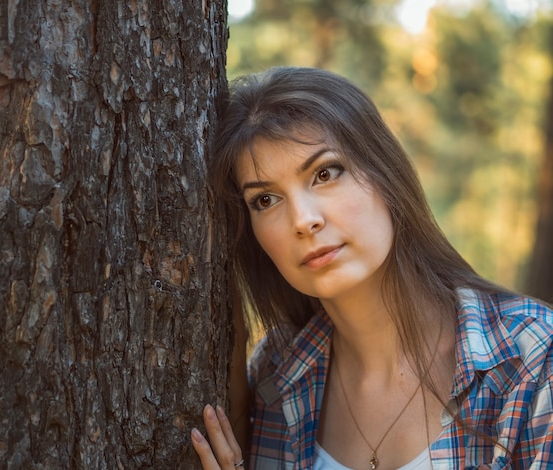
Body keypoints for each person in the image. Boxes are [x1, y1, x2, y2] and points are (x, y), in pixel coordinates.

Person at [190, 67, 553, 469]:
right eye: (265, 200)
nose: (303, 220)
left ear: (385, 174)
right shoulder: (279, 372)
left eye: (324, 174)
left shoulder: (532, 361)